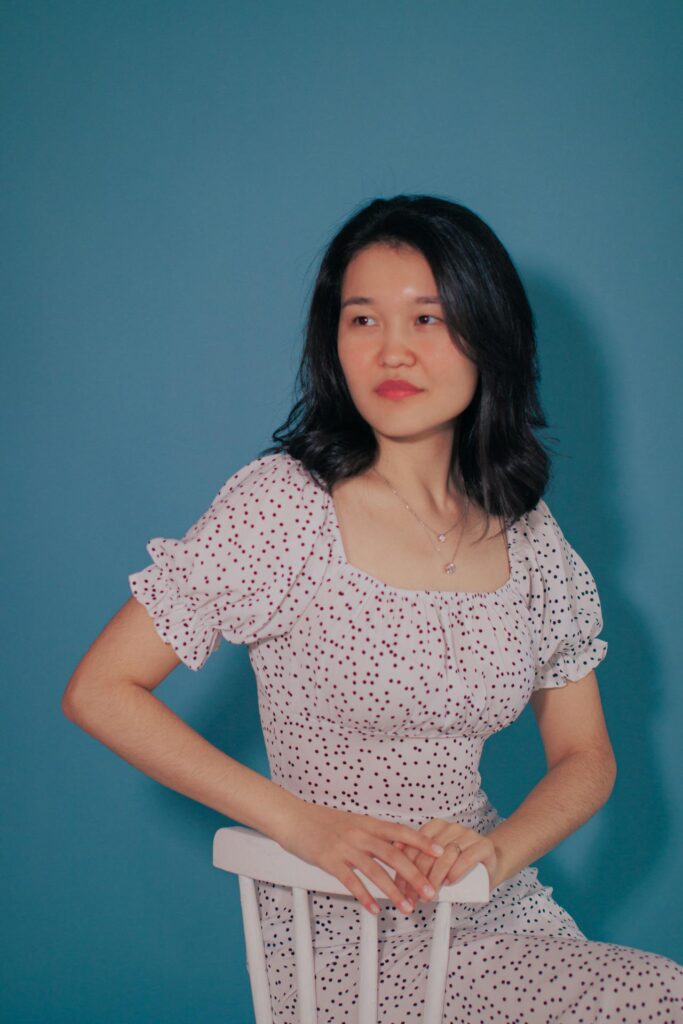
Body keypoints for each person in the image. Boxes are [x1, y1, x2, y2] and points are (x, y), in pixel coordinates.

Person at [62, 194, 683, 1022]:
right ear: (334, 342)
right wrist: (299, 824)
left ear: (487, 337)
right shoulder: (284, 508)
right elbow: (100, 690)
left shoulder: (528, 535)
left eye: (427, 318)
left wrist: (497, 853)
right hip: (338, 923)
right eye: (362, 320)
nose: (392, 349)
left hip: (489, 907)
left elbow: (585, 755)